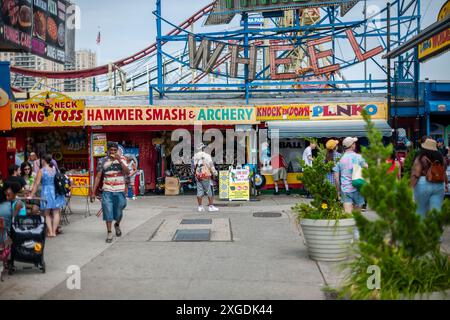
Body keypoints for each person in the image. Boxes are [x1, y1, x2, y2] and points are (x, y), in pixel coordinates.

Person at [91, 142, 129, 243]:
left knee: (120, 209)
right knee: (108, 210)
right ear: (107, 151)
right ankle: (109, 232)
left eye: (114, 150)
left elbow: (127, 172)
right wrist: (93, 192)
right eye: (111, 150)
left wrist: (119, 160)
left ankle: (117, 224)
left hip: (120, 189)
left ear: (117, 151)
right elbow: (98, 176)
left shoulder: (123, 159)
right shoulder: (102, 161)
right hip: (107, 190)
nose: (112, 152)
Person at [29, 154, 65, 238]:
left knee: (47, 213)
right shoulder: (55, 170)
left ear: (43, 160)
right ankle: (54, 232)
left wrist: (31, 194)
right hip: (55, 192)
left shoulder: (41, 170)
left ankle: (50, 232)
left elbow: (36, 183)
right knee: (56, 212)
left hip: (46, 192)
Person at [410, 138, 448, 218]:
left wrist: (410, 187)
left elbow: (416, 174)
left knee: (420, 211)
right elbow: (443, 171)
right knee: (436, 212)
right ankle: (435, 229)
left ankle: (422, 229)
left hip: (423, 183)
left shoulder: (421, 157)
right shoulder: (440, 157)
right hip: (439, 184)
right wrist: (446, 184)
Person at [333, 137, 368, 214]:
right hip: (358, 187)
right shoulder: (359, 157)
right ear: (352, 145)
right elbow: (367, 168)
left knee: (348, 215)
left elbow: (336, 178)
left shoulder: (340, 159)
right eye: (354, 143)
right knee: (357, 217)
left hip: (345, 190)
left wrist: (338, 191)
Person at [193, 143, 219, 212]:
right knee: (209, 190)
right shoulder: (207, 156)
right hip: (205, 175)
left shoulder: (195, 156)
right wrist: (215, 173)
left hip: (198, 176)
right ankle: (211, 206)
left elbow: (193, 166)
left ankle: (200, 207)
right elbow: (211, 165)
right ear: (203, 148)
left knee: (199, 191)